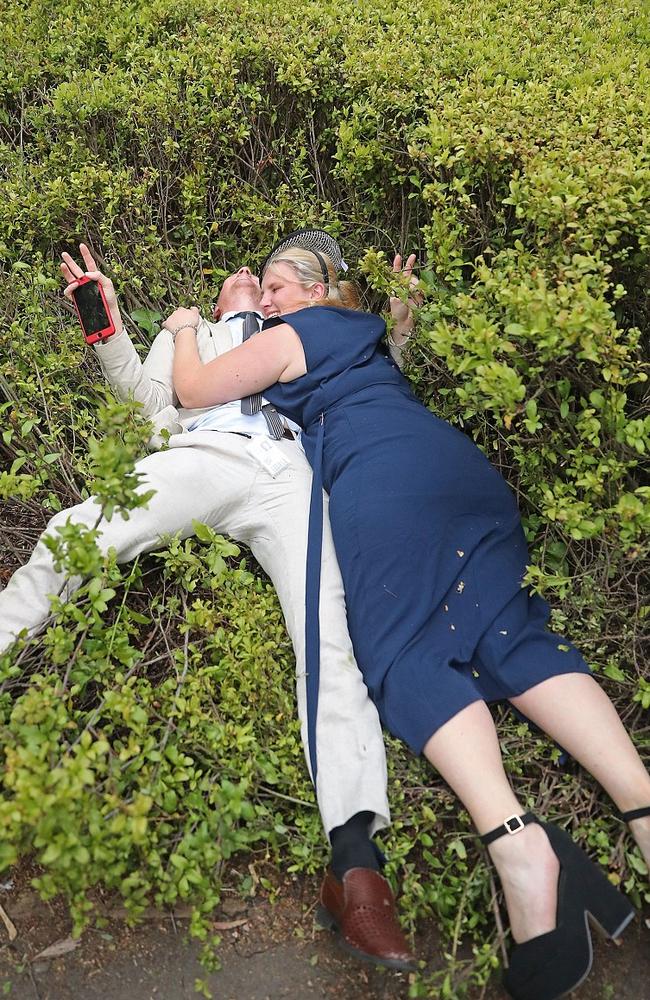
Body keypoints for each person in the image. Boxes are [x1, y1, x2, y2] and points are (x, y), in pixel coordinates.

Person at [170, 230, 650, 1000]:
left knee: (401, 659)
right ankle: (643, 808)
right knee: (509, 631)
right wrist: (404, 317)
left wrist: (183, 328)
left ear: (319, 290)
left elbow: (192, 390)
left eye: (277, 285)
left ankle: (519, 848)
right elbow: (385, 367)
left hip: (382, 483)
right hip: (452, 468)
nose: (266, 299)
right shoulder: (359, 339)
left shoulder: (293, 334)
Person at [0, 244, 417, 971]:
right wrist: (112, 326)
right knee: (75, 531)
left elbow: (372, 375)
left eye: (265, 275)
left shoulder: (307, 325)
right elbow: (145, 400)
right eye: (237, 276)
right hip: (204, 452)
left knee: (327, 636)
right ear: (218, 295)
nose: (250, 278)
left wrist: (405, 311)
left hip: (293, 473)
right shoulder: (189, 332)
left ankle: (356, 864)